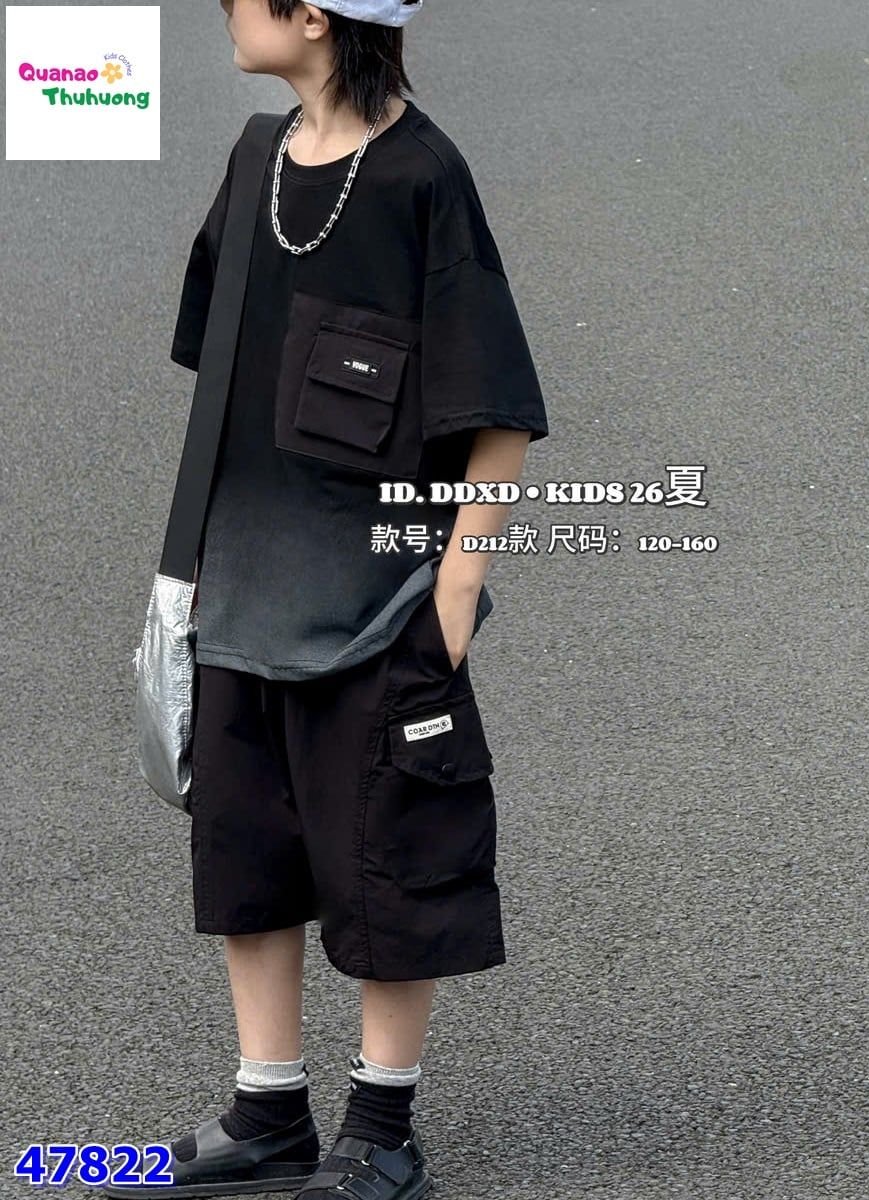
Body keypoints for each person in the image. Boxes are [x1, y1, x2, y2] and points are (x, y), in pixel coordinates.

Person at [106, 1, 548, 1196]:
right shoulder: (256, 156)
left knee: (392, 862)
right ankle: (269, 1112)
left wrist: (455, 588)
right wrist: (197, 567)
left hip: (379, 607)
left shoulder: (422, 176)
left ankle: (383, 1128)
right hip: (244, 591)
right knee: (244, 855)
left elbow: (499, 406)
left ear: (311, 16)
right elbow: (224, 378)